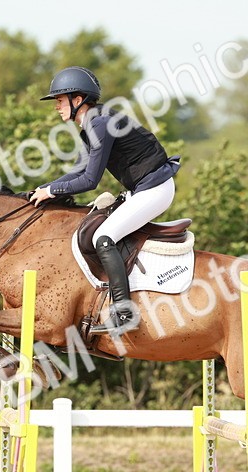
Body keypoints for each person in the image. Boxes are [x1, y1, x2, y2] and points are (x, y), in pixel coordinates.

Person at [29, 66, 181, 334]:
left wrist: (52, 192)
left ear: (78, 101)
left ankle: (124, 313)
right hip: (144, 189)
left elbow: (89, 180)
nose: (56, 107)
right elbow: (78, 169)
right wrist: (43, 189)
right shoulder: (92, 123)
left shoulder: (98, 124)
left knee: (104, 237)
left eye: (60, 101)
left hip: (155, 189)